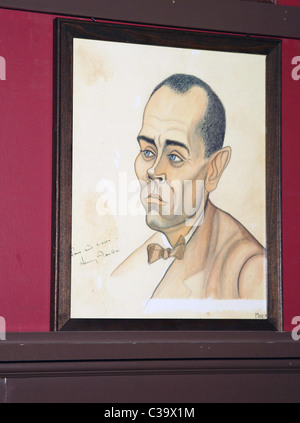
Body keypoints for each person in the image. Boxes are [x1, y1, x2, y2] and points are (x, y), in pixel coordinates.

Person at [106, 74, 266, 317]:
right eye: (148, 151)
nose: (153, 171)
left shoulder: (249, 273)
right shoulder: (125, 272)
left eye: (174, 157)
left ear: (214, 169)